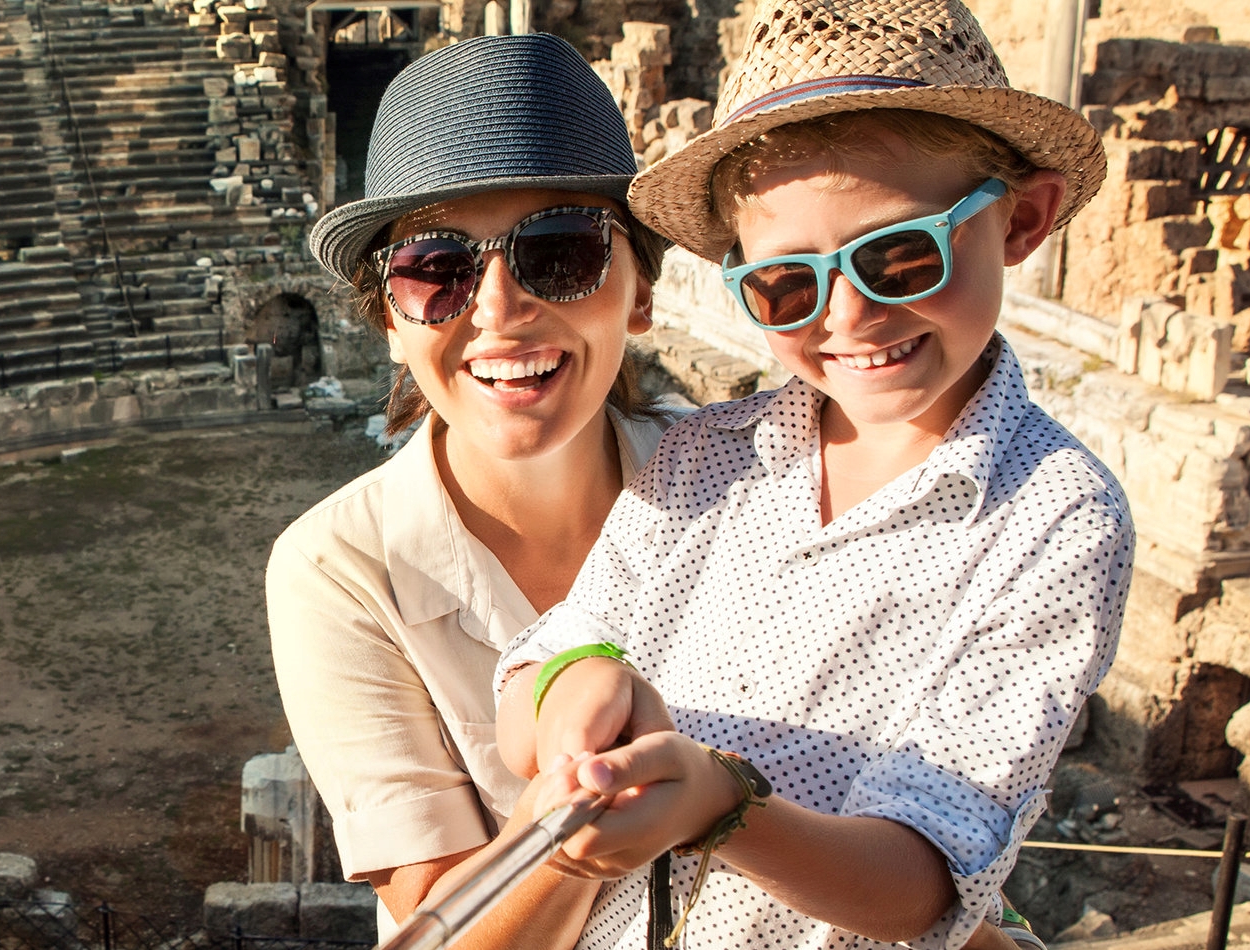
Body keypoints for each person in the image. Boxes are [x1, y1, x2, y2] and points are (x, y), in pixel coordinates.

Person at [491, 0, 1131, 947]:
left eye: (902, 256)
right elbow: (534, 676)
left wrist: (722, 808)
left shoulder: (1057, 521)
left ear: (1022, 219)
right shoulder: (704, 455)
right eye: (788, 286)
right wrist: (569, 695)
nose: (850, 317)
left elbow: (923, 886)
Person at [266, 33, 677, 947]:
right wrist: (586, 815)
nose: (496, 309)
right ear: (389, 317)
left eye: (561, 251)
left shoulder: (759, 489)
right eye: (436, 269)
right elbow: (448, 928)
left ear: (640, 291)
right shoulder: (336, 567)